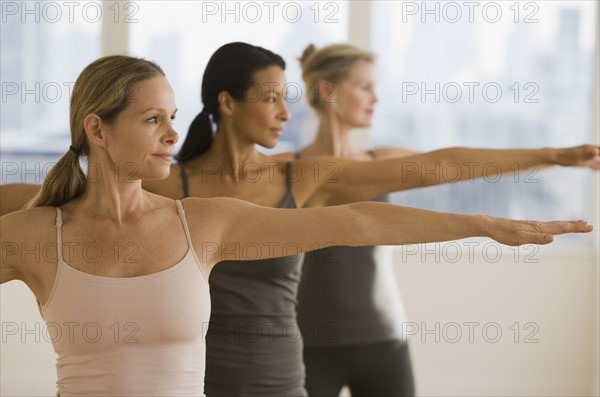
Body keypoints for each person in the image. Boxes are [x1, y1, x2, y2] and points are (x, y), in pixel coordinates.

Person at [0, 45, 597, 397]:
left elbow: (365, 217)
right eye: (153, 119)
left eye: (172, 117)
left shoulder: (210, 218)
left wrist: (492, 216)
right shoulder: (49, 228)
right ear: (98, 129)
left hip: (283, 373)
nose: (172, 133)